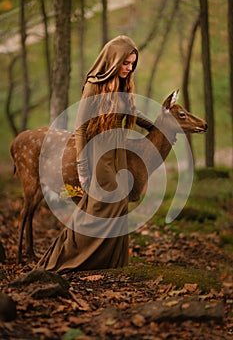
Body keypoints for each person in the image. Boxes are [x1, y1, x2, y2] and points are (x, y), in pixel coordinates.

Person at [37, 35, 154, 273]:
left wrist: (157, 124)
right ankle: (68, 260)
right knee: (99, 209)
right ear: (113, 60)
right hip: (98, 153)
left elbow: (130, 109)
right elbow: (81, 128)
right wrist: (83, 169)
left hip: (118, 149)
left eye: (132, 64)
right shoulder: (93, 84)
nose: (129, 68)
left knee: (120, 204)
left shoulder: (123, 83)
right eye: (125, 63)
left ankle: (109, 264)